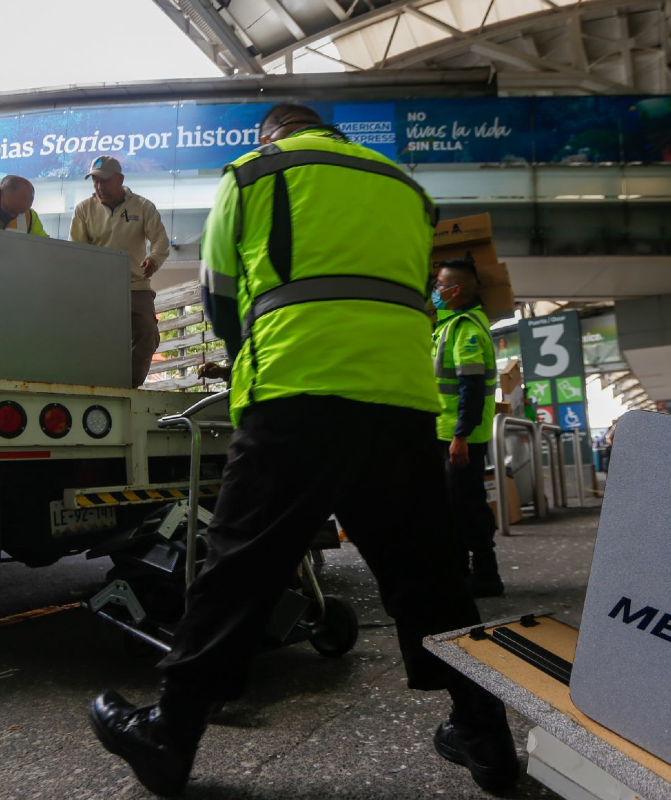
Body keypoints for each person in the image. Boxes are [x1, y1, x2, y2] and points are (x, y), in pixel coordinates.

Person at [87, 103, 519, 797]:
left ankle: (172, 732)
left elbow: (221, 299)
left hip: (297, 388)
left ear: (271, 134)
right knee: (428, 571)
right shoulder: (405, 189)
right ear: (334, 134)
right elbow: (407, 292)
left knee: (242, 561)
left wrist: (255, 355)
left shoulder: (253, 172)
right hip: (401, 400)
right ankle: (485, 732)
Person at [432, 258, 503, 598]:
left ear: (455, 289)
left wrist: (459, 436)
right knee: (451, 505)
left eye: (439, 285)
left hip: (461, 437)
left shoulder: (468, 331)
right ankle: (459, 573)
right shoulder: (450, 325)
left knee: (466, 504)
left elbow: (471, 387)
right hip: (448, 433)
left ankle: (486, 575)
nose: (435, 291)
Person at [70, 156, 170, 388]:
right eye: (95, 181)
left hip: (136, 285)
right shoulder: (83, 209)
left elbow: (160, 242)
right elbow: (75, 251)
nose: (99, 187)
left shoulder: (143, 206)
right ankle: (94, 384)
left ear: (120, 180)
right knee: (91, 337)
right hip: (98, 289)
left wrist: (153, 259)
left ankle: (129, 386)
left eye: (104, 181)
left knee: (147, 332)